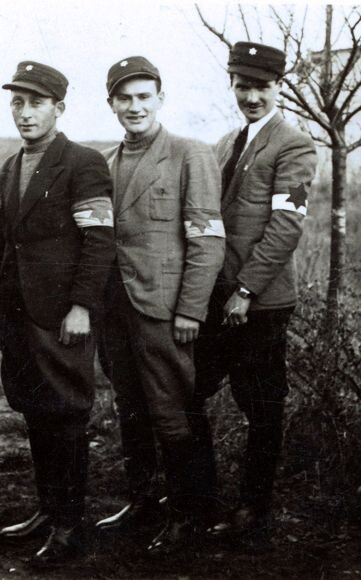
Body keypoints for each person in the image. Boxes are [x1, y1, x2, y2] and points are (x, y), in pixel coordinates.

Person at [0, 61, 115, 567]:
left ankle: (69, 527)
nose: (24, 113)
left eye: (36, 103)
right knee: (35, 413)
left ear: (58, 108)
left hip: (62, 316)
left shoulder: (83, 163)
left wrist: (82, 305)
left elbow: (98, 240)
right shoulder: (10, 166)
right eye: (17, 102)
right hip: (20, 315)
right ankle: (48, 510)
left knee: (65, 416)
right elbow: (5, 242)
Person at [189, 41, 317, 543]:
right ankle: (200, 499)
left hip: (259, 303)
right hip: (217, 296)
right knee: (188, 393)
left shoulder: (294, 145)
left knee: (262, 408)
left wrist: (245, 289)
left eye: (261, 87)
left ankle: (253, 510)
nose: (251, 96)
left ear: (278, 87)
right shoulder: (227, 142)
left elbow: (287, 226)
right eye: (243, 86)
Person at [96, 56, 225, 555]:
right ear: (111, 104)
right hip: (116, 311)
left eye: (144, 97)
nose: (135, 107)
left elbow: (207, 239)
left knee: (172, 411)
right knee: (130, 408)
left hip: (165, 310)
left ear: (160, 100)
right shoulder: (106, 162)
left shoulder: (190, 153)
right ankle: (144, 502)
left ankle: (191, 514)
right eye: (124, 99)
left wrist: (191, 308)